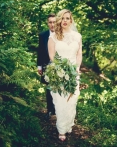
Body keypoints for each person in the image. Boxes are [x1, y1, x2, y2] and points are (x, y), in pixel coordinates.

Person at [48, 9, 82, 141]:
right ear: (59, 20)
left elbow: (79, 54)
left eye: (67, 18)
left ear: (71, 20)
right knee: (60, 101)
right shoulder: (53, 37)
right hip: (58, 72)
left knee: (72, 100)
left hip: (73, 73)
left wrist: (77, 68)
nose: (65, 21)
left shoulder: (77, 36)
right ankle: (61, 129)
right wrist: (60, 68)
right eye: (62, 18)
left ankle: (69, 125)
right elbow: (51, 56)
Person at [37, 13, 56, 120]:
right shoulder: (43, 35)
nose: (52, 24)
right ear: (47, 23)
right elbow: (40, 51)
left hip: (59, 66)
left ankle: (58, 110)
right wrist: (39, 66)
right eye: (50, 22)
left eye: (54, 22)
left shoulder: (61, 34)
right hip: (46, 65)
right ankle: (49, 110)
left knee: (58, 88)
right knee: (49, 88)